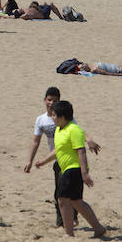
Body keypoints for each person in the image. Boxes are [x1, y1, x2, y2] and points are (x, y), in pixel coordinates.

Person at [23, 87, 101, 227]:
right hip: (58, 160)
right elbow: (36, 141)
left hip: (71, 162)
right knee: (60, 193)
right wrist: (31, 160)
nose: (51, 103)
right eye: (49, 100)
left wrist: (88, 139)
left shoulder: (64, 118)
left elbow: (77, 132)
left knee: (68, 195)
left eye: (55, 100)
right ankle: (62, 221)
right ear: (44, 100)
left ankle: (73, 220)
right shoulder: (41, 120)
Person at [33, 100, 107, 238]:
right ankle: (98, 228)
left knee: (62, 199)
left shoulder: (74, 129)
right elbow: (58, 151)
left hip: (74, 170)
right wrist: (43, 161)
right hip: (67, 169)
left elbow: (81, 151)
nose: (52, 118)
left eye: (54, 115)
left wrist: (84, 173)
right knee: (76, 201)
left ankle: (68, 233)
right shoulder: (60, 130)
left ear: (62, 117)